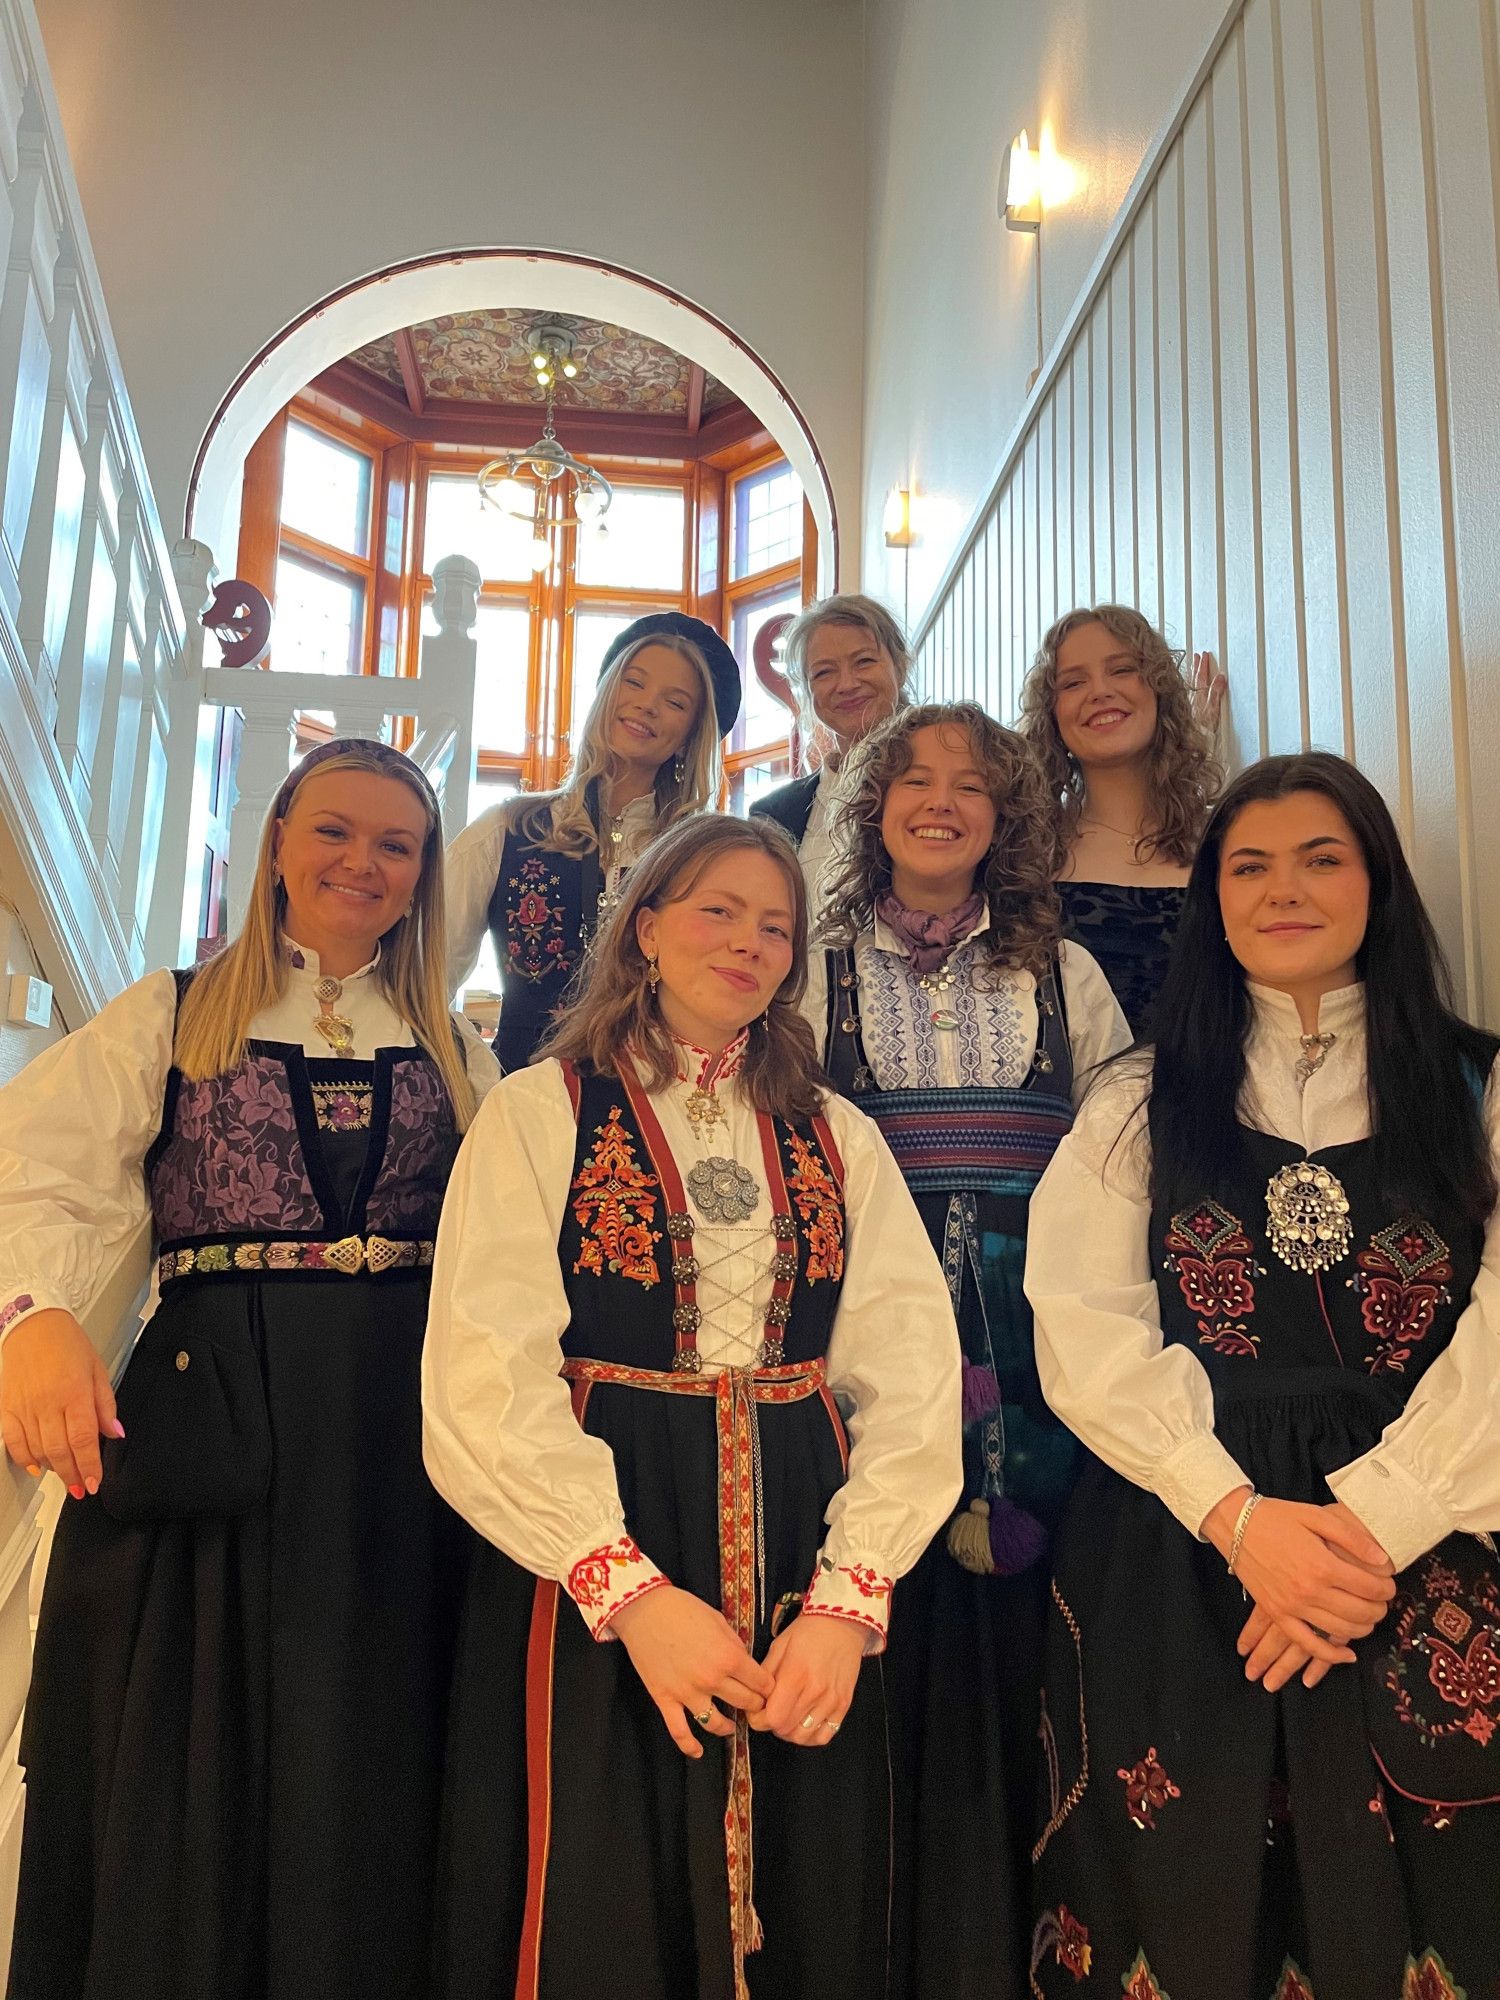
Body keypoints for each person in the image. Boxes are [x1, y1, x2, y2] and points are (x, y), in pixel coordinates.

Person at [422, 812, 963, 2000]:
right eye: (718, 909)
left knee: (810, 1879)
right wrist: (627, 1589)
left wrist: (849, 1596)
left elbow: (911, 1376)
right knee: (601, 1879)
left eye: (777, 924)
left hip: (802, 1540)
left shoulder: (840, 1132)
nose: (751, 941)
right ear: (648, 927)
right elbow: (482, 1374)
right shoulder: (540, 1109)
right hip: (601, 1535)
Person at [0, 739, 499, 2000]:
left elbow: (524, 1237)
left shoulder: (458, 1047)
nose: (363, 861)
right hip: (213, 1423)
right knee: (185, 1750)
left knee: (379, 1742)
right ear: (276, 840)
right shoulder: (169, 1011)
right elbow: (34, 1170)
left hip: (404, 1441)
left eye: (396, 843)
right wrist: (30, 1318)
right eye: (335, 829)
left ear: (425, 873)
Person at [1025, 752, 1500, 2000]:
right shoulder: (1135, 1099)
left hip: (1422, 1550)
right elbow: (1083, 1322)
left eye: (1321, 858)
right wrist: (1241, 1520)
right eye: (1249, 865)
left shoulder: (1482, 1086)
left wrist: (1363, 1527)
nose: (1284, 889)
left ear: (1378, 884)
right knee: (1190, 1905)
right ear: (1212, 897)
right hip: (1182, 1545)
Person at [810, 702, 1129, 2000]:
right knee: (878, 1611)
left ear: (1008, 819)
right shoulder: (811, 962)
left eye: (972, 786)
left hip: (1041, 1338)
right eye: (913, 779)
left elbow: (1120, 1155)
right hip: (863, 1333)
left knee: (1029, 1634)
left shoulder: (1066, 973)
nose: (939, 800)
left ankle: (1018, 1938)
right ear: (874, 804)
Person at [445, 609, 741, 1069]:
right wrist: (474, 1071)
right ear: (607, 693)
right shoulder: (508, 827)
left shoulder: (703, 855)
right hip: (523, 1098)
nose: (646, 705)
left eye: (675, 702)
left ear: (690, 736)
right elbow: (428, 971)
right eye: (634, 682)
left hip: (656, 1103)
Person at [1018, 604, 1222, 1036]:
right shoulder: (1025, 857)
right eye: (1073, 682)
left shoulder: (1225, 842)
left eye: (1123, 670)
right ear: (1052, 717)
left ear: (1159, 690)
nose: (1100, 691)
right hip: (1073, 1100)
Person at [750, 592, 909, 917]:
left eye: (864, 661)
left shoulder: (950, 782)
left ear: (900, 666)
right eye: (823, 672)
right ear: (806, 691)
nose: (847, 684)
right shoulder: (776, 813)